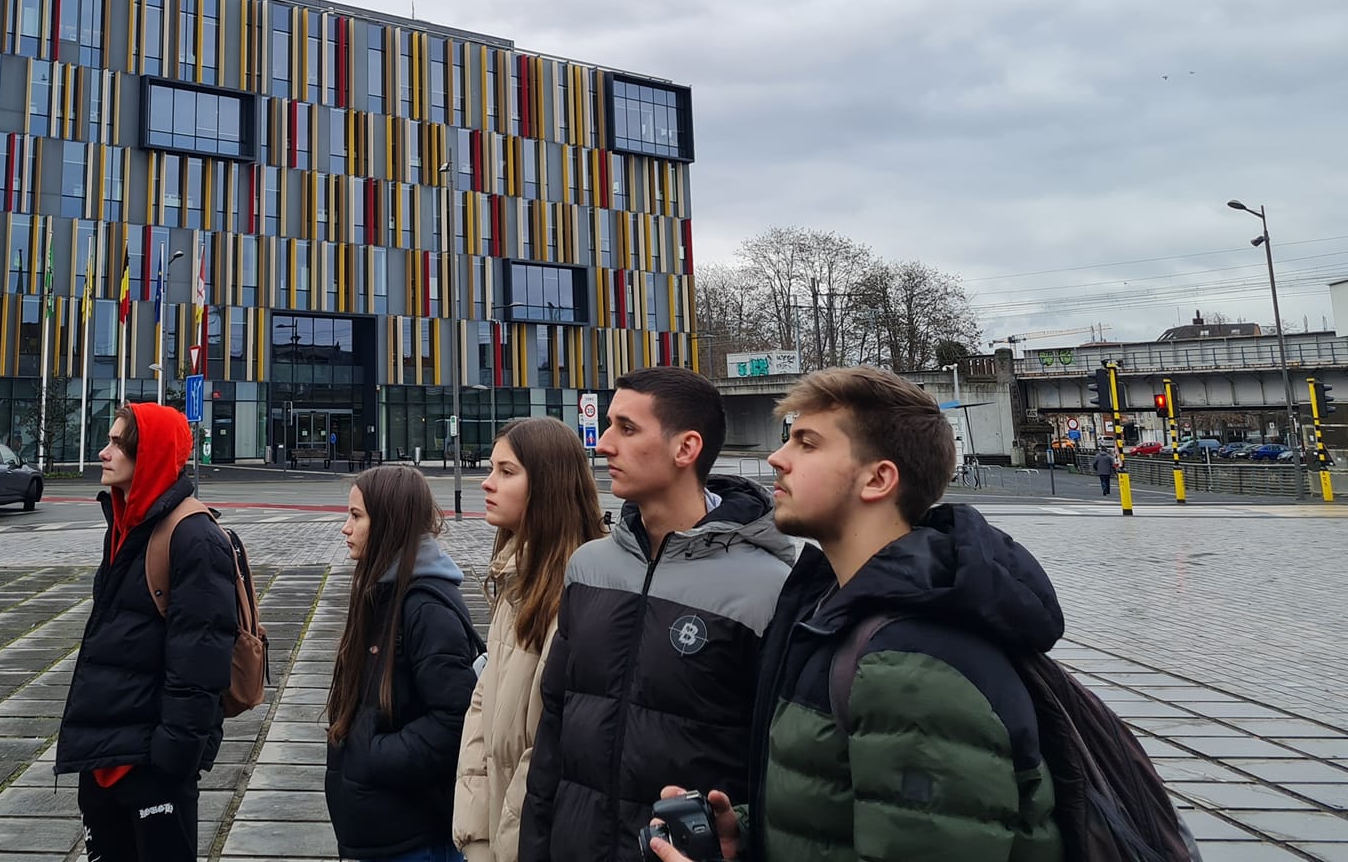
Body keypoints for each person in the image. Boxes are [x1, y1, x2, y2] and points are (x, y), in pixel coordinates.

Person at [646, 366, 1065, 862]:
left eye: (807, 443)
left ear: (878, 479)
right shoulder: (834, 610)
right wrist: (750, 832)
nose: (777, 458)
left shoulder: (912, 667)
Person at [519, 367, 794, 862]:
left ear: (686, 448)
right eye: (609, 425)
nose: (604, 444)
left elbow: (778, 766)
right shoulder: (588, 567)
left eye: (626, 428)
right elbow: (553, 731)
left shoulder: (768, 587)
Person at [57, 402, 238, 862]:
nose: (104, 452)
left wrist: (171, 761)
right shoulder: (125, 523)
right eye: (108, 441)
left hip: (151, 763)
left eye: (119, 444)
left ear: (151, 455)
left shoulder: (194, 538)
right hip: (107, 756)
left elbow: (200, 661)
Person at [454, 418, 605, 862]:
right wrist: (476, 836)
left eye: (506, 471)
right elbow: (481, 714)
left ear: (548, 485)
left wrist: (502, 847)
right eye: (491, 468)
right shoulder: (515, 581)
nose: (487, 482)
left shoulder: (576, 596)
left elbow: (548, 749)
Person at [326, 464, 483, 862]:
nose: (345, 528)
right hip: (387, 828)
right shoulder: (382, 591)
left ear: (388, 524)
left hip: (415, 838)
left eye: (357, 516)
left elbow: (454, 719)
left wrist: (371, 754)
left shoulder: (425, 608)